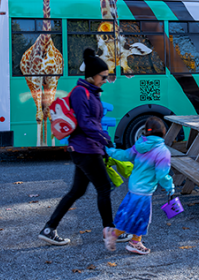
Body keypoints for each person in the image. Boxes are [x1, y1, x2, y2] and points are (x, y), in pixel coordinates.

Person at [39, 48, 131, 248]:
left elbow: (94, 122)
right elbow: (85, 122)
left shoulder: (91, 92)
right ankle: (110, 232)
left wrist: (104, 138)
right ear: (92, 75)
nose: (106, 80)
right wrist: (103, 139)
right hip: (85, 149)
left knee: (76, 191)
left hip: (87, 148)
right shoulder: (81, 92)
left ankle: (49, 229)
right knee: (104, 187)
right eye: (103, 76)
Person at [106, 117, 174, 255]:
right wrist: (169, 186)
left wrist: (110, 151)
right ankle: (113, 234)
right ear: (163, 132)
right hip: (144, 191)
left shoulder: (139, 145)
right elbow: (162, 175)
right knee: (136, 217)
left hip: (133, 186)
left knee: (138, 216)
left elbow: (125, 155)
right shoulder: (163, 151)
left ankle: (135, 242)